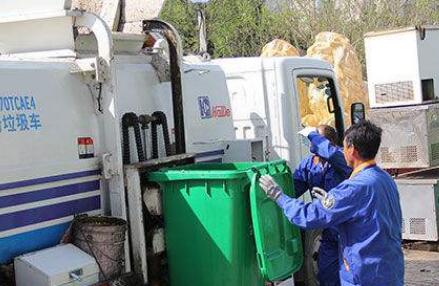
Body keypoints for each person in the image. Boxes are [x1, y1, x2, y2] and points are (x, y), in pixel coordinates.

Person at [260, 120, 404, 286]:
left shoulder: (354, 187)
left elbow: (310, 216)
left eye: (344, 147)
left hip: (365, 273)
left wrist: (279, 196)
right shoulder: (384, 178)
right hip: (386, 267)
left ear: (352, 150)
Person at [294, 125, 351, 286]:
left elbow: (333, 154)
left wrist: (313, 136)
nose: (311, 143)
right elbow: (293, 188)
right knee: (326, 275)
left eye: (315, 139)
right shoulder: (308, 165)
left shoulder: (341, 158)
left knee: (352, 276)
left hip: (348, 232)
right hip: (329, 232)